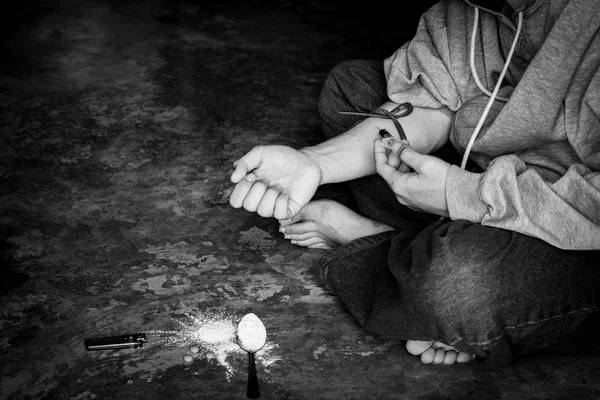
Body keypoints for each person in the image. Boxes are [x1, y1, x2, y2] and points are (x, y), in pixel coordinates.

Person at [229, 0, 600, 366]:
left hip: (579, 231)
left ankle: (390, 254)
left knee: (456, 286)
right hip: (494, 182)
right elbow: (434, 105)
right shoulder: (470, 10)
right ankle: (418, 267)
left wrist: (460, 194)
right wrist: (314, 163)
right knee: (351, 90)